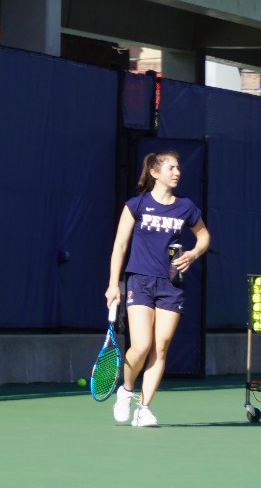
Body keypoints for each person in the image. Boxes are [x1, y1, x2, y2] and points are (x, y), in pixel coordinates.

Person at [104, 151, 211, 427]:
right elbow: (120, 246)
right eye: (171, 168)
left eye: (178, 168)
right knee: (141, 345)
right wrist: (113, 285)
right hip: (139, 280)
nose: (177, 172)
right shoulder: (136, 205)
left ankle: (144, 409)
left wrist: (194, 253)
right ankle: (126, 391)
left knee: (160, 347)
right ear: (154, 173)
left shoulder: (185, 207)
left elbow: (204, 236)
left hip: (171, 285)